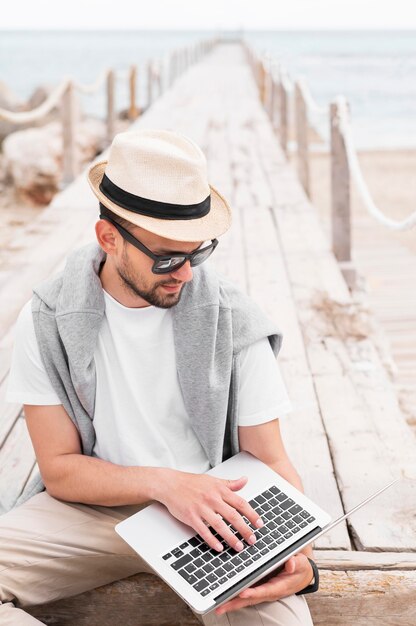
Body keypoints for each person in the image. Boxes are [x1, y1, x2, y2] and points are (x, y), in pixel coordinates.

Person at [1, 128, 317, 625]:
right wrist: (166, 484)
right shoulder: (46, 319)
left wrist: (300, 549)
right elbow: (60, 469)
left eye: (198, 253)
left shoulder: (234, 317)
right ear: (109, 238)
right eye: (167, 258)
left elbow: (272, 460)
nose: (186, 274)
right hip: (96, 509)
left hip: (219, 518)